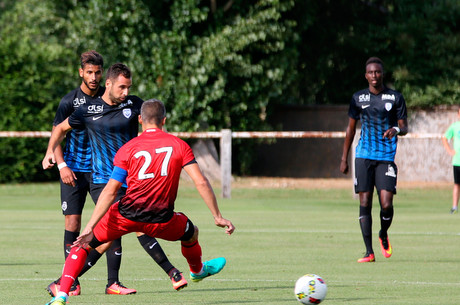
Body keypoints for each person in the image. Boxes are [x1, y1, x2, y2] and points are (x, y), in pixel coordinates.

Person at [46, 99, 235, 305]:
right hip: (162, 220)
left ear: (139, 120)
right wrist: (217, 216)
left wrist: (90, 227)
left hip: (125, 216)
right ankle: (197, 270)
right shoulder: (179, 145)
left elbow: (111, 190)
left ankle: (62, 296)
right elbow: (201, 182)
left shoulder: (128, 149)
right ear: (164, 120)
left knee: (82, 246)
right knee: (191, 233)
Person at [43, 63, 185, 296]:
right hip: (105, 181)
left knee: (120, 231)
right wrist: (52, 152)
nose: (126, 93)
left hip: (133, 181)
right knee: (122, 230)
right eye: (121, 87)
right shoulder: (88, 109)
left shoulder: (134, 104)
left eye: (128, 87)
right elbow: (59, 129)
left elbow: (153, 118)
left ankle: (80, 282)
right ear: (108, 84)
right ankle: (171, 273)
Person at [340, 57, 408, 263]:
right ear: (366, 75)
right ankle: (369, 252)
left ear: (382, 74)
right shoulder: (358, 98)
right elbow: (351, 129)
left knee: (386, 203)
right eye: (370, 72)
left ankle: (383, 234)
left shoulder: (395, 97)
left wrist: (395, 129)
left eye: (377, 72)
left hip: (386, 157)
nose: (374, 76)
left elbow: (404, 127)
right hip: (363, 156)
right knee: (365, 201)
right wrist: (344, 158)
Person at [442, 107, 460, 214]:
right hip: (457, 161)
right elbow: (444, 138)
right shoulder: (454, 126)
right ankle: (454, 207)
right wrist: (449, 151)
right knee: (457, 184)